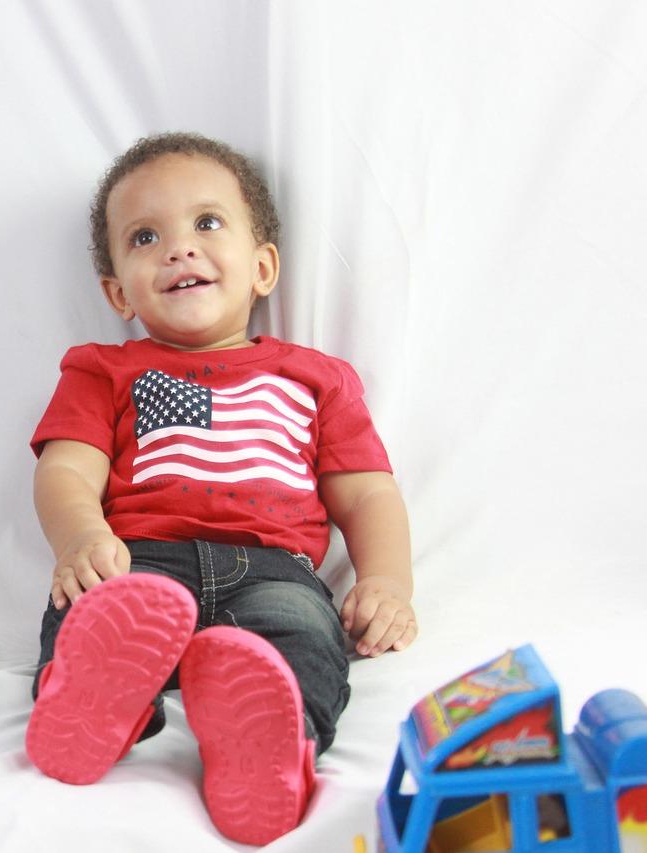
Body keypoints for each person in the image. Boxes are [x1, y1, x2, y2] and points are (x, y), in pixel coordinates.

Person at [23, 131, 417, 846]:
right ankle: (96, 708)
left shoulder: (317, 377)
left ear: (263, 267)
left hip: (273, 570)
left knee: (299, 638)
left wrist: (387, 580)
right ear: (118, 292)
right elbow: (66, 469)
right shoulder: (102, 369)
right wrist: (81, 537)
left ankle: (266, 744)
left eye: (207, 223)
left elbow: (367, 494)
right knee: (88, 612)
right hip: (136, 562)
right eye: (145, 237)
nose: (179, 248)